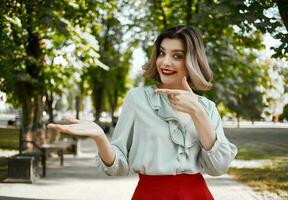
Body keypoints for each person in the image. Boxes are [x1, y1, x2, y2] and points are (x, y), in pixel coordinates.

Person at [48, 25, 238, 200]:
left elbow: (218, 168)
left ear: (192, 61)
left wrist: (197, 112)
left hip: (196, 195)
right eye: (162, 53)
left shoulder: (207, 107)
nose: (165, 62)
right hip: (150, 194)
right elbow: (117, 167)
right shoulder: (137, 99)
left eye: (177, 56)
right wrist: (100, 137)